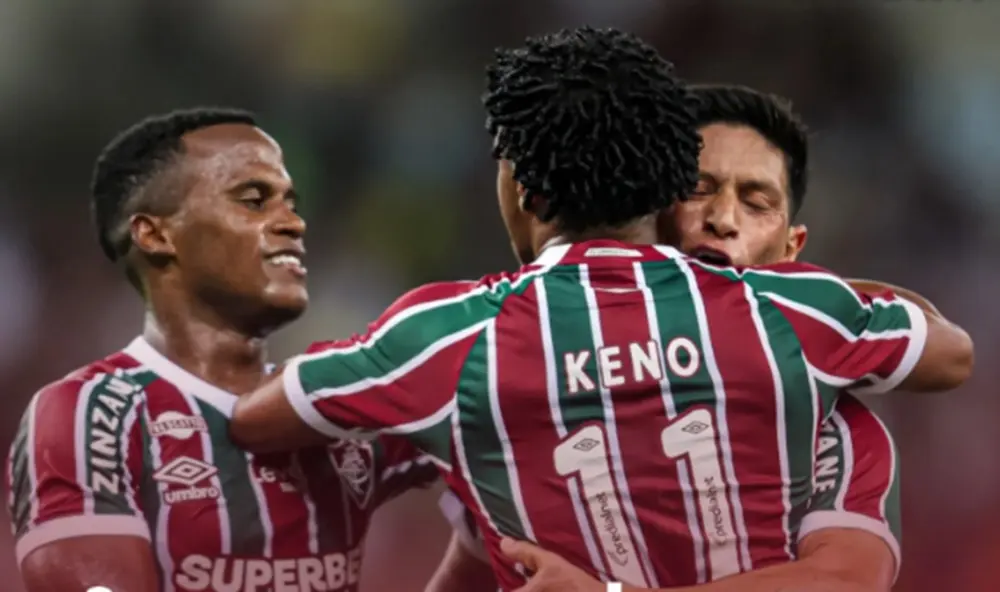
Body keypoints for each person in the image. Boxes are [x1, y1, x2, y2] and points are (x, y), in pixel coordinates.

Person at [228, 27, 974, 591]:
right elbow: (949, 354)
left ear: (524, 190)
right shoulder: (798, 315)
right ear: (667, 190)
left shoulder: (450, 338)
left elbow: (258, 418)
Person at [428, 84, 922, 592]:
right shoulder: (518, 398)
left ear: (790, 250)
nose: (723, 220)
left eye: (756, 202)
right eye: (697, 189)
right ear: (648, 211)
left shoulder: (826, 423)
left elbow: (845, 581)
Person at [5, 108, 438, 592]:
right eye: (253, 201)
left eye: (290, 203)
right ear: (156, 234)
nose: (292, 223)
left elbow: (493, 433)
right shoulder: (93, 414)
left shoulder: (337, 406)